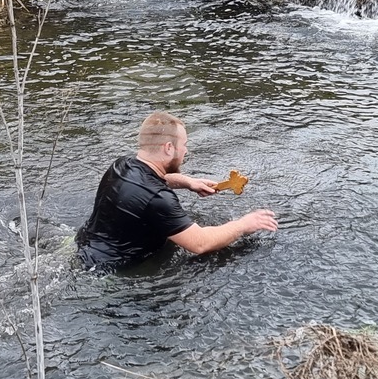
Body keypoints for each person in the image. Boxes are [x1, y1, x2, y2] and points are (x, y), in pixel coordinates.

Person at [76, 111, 278, 271]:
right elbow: (200, 243)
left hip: (84, 244)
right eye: (184, 145)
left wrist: (188, 182)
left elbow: (152, 180)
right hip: (107, 271)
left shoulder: (121, 165)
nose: (186, 151)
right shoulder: (158, 199)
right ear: (168, 148)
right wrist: (243, 224)